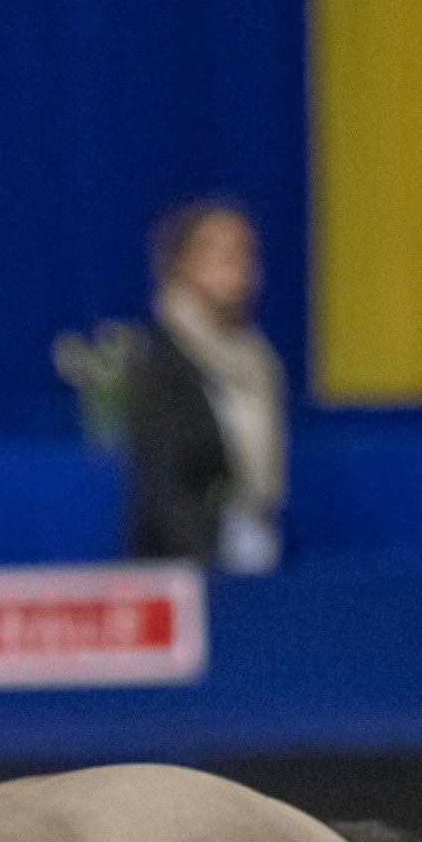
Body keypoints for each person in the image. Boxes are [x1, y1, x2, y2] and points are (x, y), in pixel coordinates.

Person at [125, 200, 287, 572]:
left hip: (259, 550)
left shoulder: (259, 360)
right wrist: (207, 565)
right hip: (189, 572)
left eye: (244, 251)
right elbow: (163, 491)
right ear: (181, 263)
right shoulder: (161, 363)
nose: (237, 263)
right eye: (218, 252)